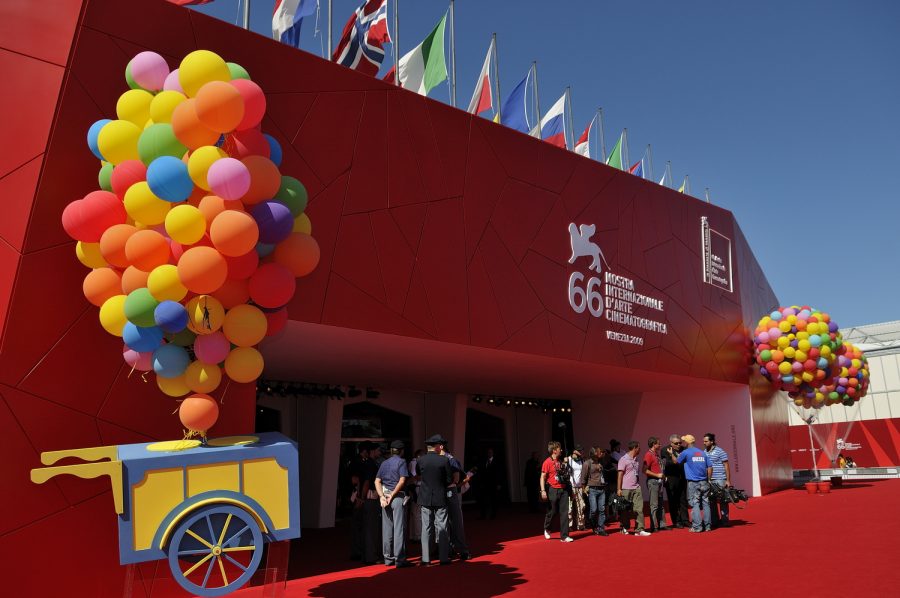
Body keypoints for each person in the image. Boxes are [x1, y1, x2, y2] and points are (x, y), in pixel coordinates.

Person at [375, 440, 412, 568]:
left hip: (385, 497)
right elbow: (402, 480)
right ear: (401, 451)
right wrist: (393, 494)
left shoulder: (384, 463)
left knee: (387, 528)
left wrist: (381, 496)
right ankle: (400, 558)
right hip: (397, 497)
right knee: (399, 528)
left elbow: (377, 481)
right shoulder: (401, 462)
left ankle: (388, 558)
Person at [418, 434, 452, 566]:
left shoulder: (421, 460)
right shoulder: (444, 460)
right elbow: (448, 480)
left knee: (426, 528)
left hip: (425, 497)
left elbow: (419, 475)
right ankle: (443, 557)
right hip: (440, 497)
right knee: (442, 526)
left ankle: (426, 559)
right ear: (437, 446)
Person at [440, 443, 470, 561]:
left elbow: (457, 478)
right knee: (451, 521)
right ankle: (454, 548)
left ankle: (459, 549)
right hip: (449, 491)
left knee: (451, 522)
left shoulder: (450, 460)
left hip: (448, 492)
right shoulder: (449, 460)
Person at [540, 440, 574, 542]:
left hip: (563, 489)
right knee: (552, 511)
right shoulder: (547, 462)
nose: (561, 450)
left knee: (564, 512)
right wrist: (543, 491)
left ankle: (564, 536)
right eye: (559, 448)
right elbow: (542, 477)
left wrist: (566, 464)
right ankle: (547, 528)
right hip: (553, 489)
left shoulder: (561, 461)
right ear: (554, 450)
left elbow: (567, 475)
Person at [677, 434, 712, 533]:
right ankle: (708, 526)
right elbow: (709, 467)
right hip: (704, 481)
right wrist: (708, 479)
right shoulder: (702, 452)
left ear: (687, 442)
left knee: (695, 503)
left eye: (683, 441)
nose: (682, 443)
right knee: (706, 503)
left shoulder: (685, 452)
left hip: (693, 482)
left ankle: (697, 527)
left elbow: (677, 461)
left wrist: (672, 454)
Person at [617, 440, 650, 536]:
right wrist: (619, 489)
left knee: (639, 509)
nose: (640, 449)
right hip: (626, 488)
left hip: (636, 487)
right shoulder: (623, 459)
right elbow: (620, 475)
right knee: (625, 509)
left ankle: (639, 529)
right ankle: (624, 527)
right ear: (635, 448)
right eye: (639, 447)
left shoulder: (636, 460)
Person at [703, 433, 732, 529]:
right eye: (704, 441)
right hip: (709, 480)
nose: (704, 443)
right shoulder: (704, 452)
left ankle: (725, 520)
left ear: (712, 441)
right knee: (711, 500)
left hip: (720, 479)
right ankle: (715, 521)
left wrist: (728, 480)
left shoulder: (720, 451)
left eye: (706, 441)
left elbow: (726, 466)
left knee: (723, 500)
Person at [661, 434, 689, 528]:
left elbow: (686, 461)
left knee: (683, 499)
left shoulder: (684, 449)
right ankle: (676, 521)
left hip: (682, 478)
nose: (678, 445)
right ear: (671, 443)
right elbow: (667, 463)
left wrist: (677, 461)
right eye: (676, 443)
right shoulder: (665, 450)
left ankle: (685, 520)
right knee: (673, 501)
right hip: (671, 479)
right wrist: (676, 461)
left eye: (680, 443)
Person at [580, 446, 609, 536]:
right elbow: (583, 478)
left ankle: (601, 528)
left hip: (602, 488)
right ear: (595, 453)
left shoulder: (601, 462)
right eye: (599, 452)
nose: (601, 453)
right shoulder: (587, 463)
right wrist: (584, 489)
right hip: (592, 489)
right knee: (593, 510)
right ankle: (593, 524)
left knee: (602, 509)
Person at [643, 437, 668, 532]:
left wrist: (662, 476)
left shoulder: (656, 455)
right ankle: (654, 526)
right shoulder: (648, 455)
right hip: (653, 482)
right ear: (654, 444)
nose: (660, 445)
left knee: (661, 504)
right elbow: (644, 470)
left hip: (659, 482)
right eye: (658, 443)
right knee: (654, 505)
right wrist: (657, 475)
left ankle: (662, 524)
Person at [567, 446, 587, 531]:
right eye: (579, 450)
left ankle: (581, 524)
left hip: (580, 487)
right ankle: (569, 525)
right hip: (571, 486)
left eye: (581, 450)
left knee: (581, 506)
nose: (581, 452)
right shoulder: (568, 459)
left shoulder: (582, 460)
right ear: (574, 451)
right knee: (570, 507)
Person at [478, 447, 502, 519]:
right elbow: (482, 473)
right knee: (484, 500)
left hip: (494, 484)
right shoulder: (484, 461)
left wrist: (499, 484)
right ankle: (483, 515)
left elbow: (499, 473)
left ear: (493, 453)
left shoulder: (497, 462)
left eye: (491, 452)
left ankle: (493, 515)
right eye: (488, 452)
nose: (489, 453)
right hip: (485, 484)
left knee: (494, 500)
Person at [407, 449, 423, 543]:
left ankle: (413, 535)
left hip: (415, 488)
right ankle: (417, 535)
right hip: (417, 488)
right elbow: (415, 477)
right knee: (417, 513)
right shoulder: (414, 463)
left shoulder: (412, 463)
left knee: (414, 513)